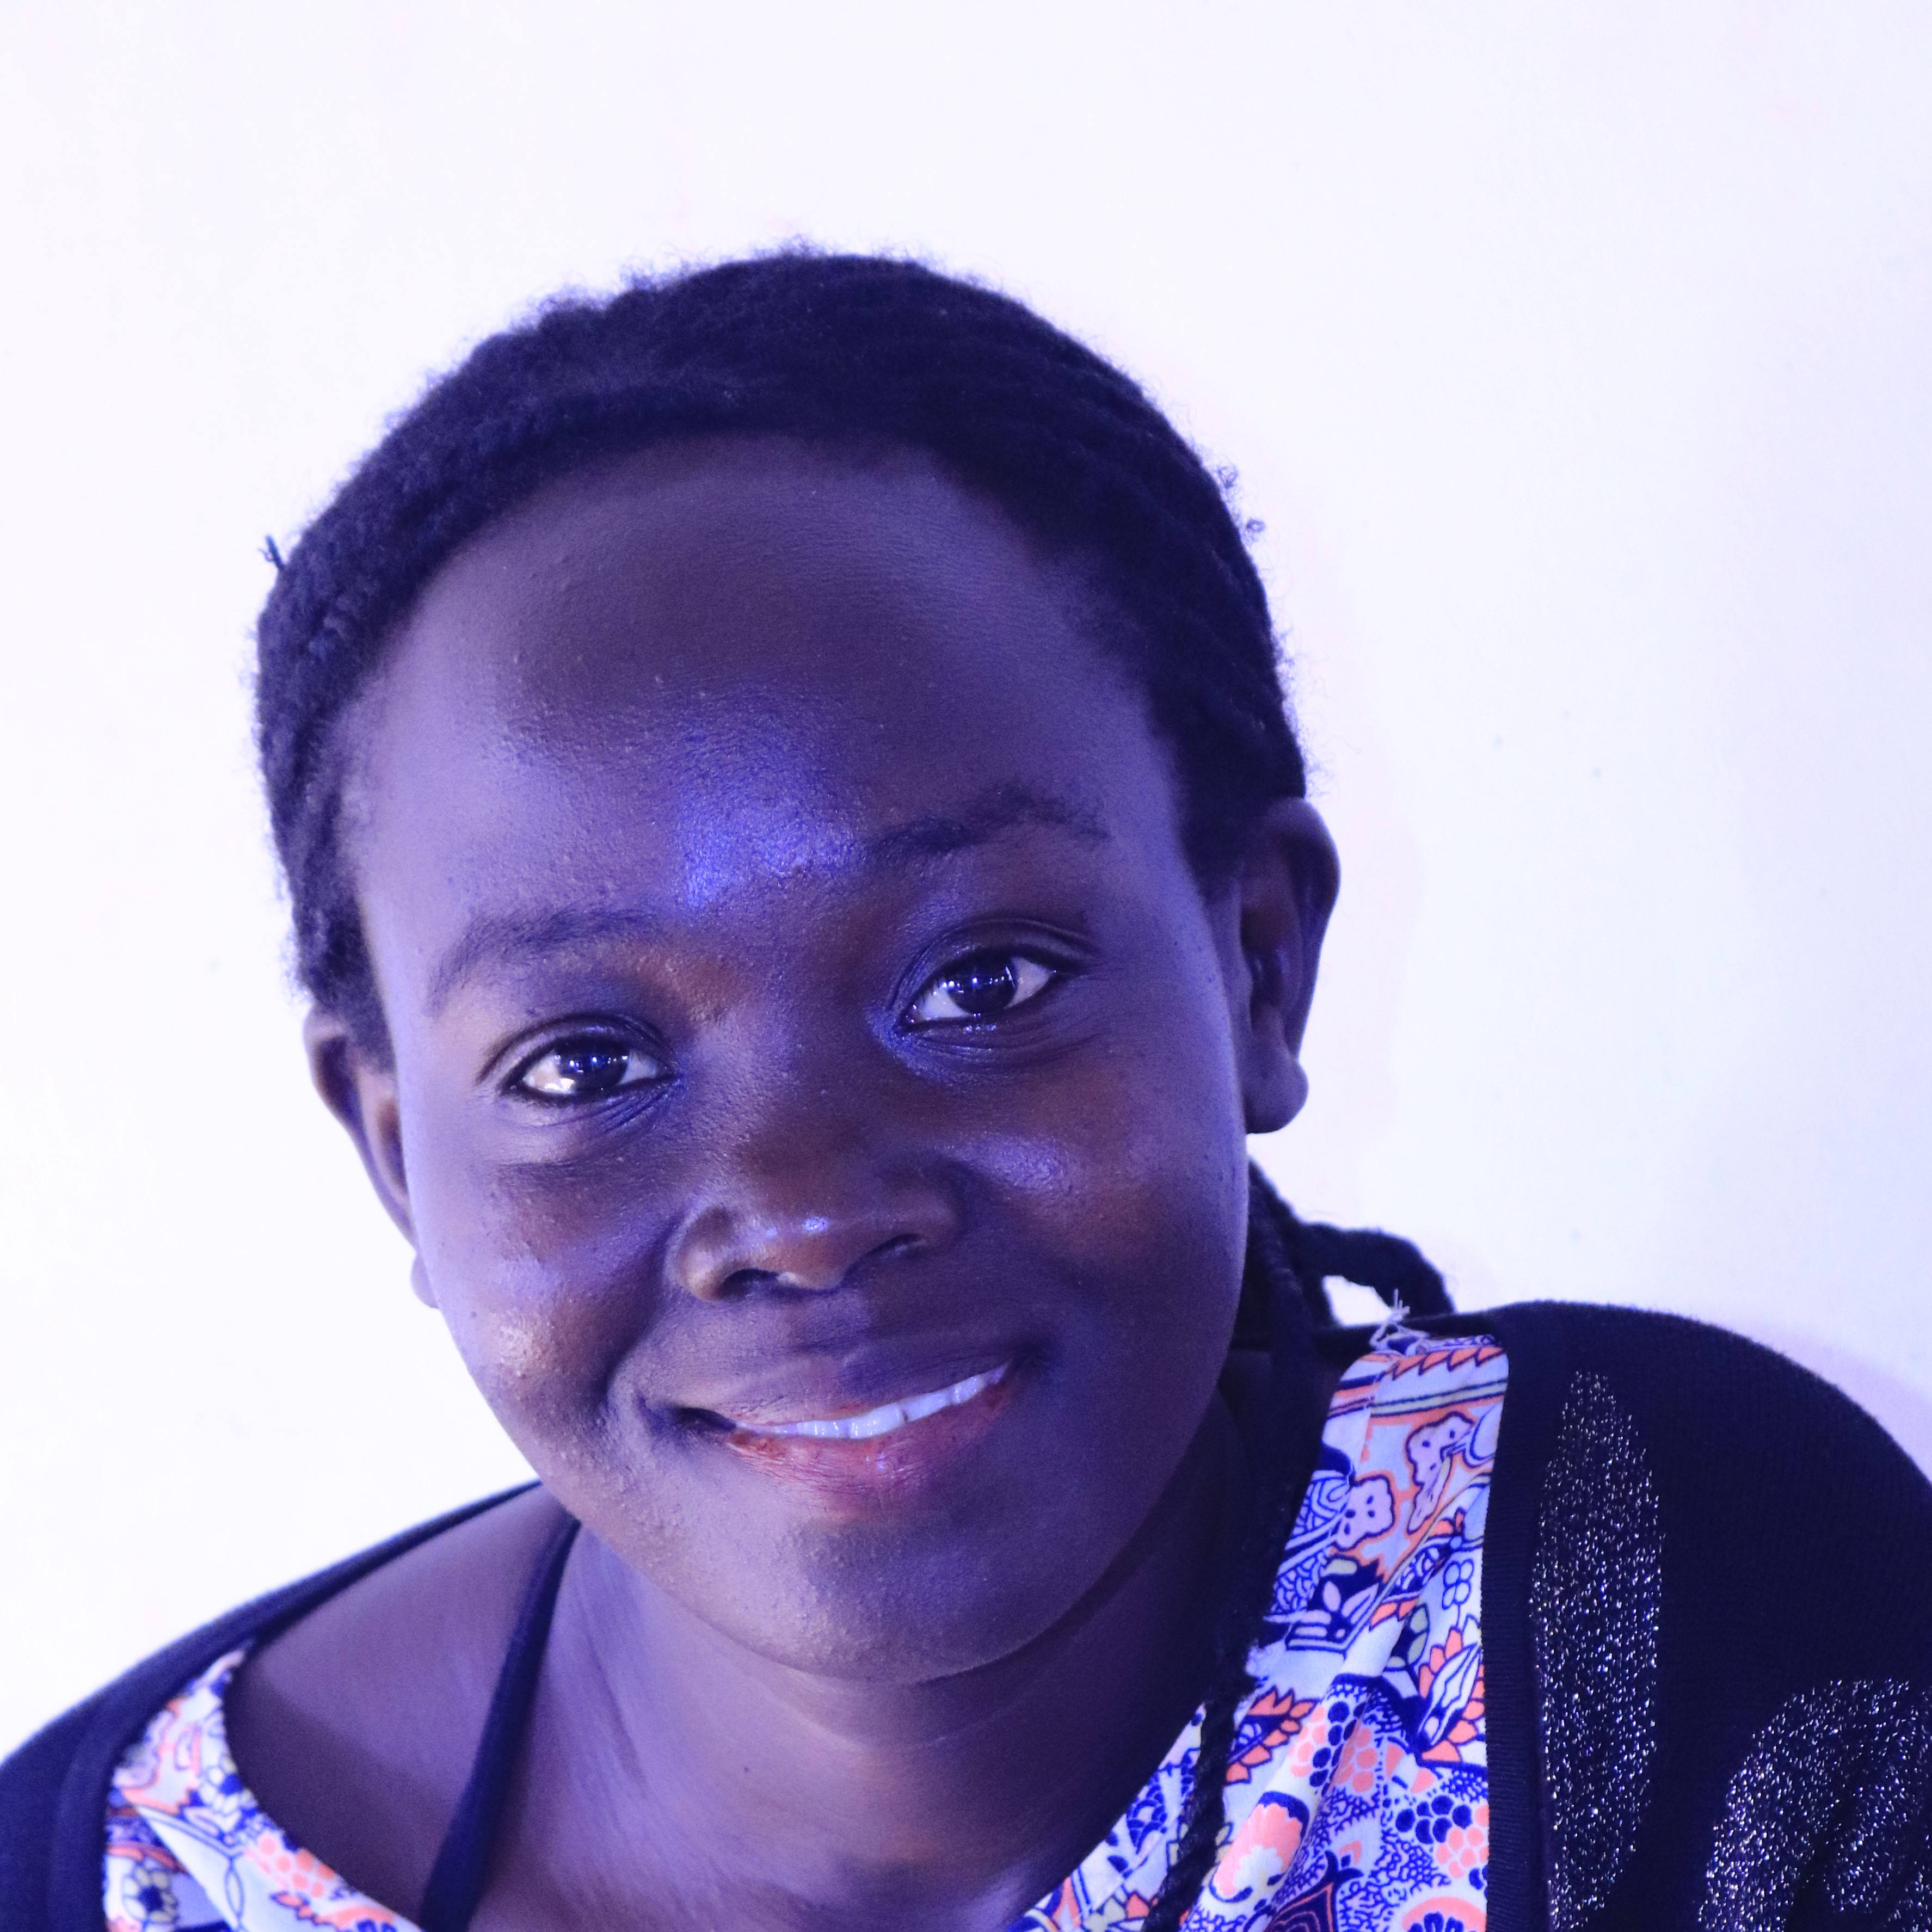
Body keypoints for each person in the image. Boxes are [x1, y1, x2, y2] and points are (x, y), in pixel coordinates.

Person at [4, 254, 1929, 1932]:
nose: (806, 1211)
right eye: (585, 1064)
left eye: (980, 983)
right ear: (395, 1151)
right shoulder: (105, 1887)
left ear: (1257, 960)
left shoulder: (1678, 1608)